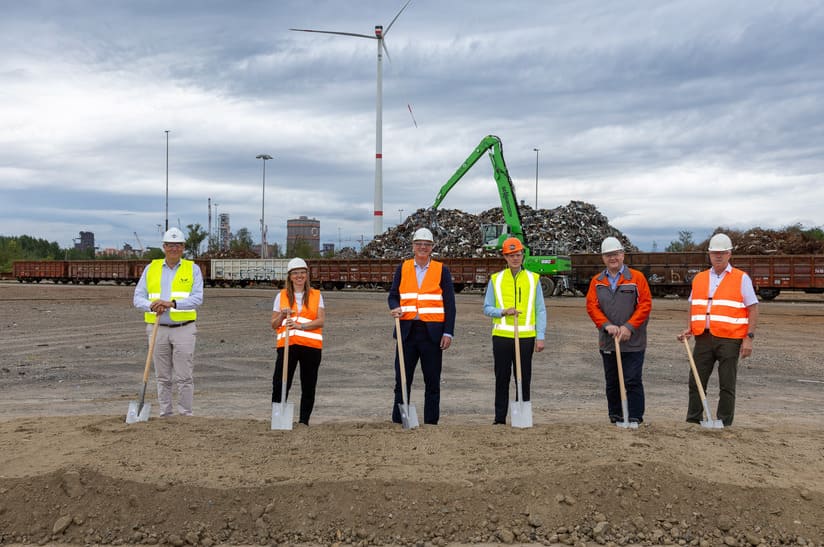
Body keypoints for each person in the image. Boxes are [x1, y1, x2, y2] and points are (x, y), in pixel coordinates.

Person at [677, 233, 758, 427]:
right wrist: (690, 327)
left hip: (730, 339)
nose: (718, 256)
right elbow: (693, 304)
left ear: (729, 254)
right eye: (714, 253)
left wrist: (749, 338)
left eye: (722, 253)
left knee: (727, 383)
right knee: (695, 379)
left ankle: (724, 421)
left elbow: (753, 308)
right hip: (703, 338)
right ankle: (693, 419)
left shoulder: (741, 278)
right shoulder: (700, 278)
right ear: (709, 255)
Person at [388, 227, 456, 425]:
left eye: (426, 245)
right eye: (419, 244)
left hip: (432, 334)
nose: (423, 248)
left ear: (432, 247)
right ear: (413, 246)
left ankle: (431, 423)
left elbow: (450, 304)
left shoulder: (441, 270)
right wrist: (394, 307)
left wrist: (448, 332)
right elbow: (393, 295)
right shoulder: (403, 268)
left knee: (432, 381)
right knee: (402, 379)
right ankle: (399, 420)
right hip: (407, 333)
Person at [133, 227, 204, 417]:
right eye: (170, 245)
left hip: (184, 329)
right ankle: (165, 413)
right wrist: (151, 305)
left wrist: (172, 303)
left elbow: (197, 298)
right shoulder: (151, 268)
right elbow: (138, 298)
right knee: (162, 376)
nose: (174, 248)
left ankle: (185, 414)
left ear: (183, 247)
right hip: (157, 329)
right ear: (164, 247)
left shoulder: (192, 269)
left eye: (178, 245)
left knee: (184, 376)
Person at [585, 236, 652, 424]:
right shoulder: (597, 281)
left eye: (615, 254)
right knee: (613, 382)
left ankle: (635, 416)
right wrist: (607, 325)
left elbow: (645, 305)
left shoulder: (636, 278)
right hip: (608, 341)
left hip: (633, 342)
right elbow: (592, 307)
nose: (612, 258)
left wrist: (629, 327)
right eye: (608, 255)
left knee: (632, 380)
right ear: (603, 258)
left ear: (622, 255)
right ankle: (615, 415)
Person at [482, 237, 546, 425]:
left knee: (523, 377)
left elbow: (540, 309)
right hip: (502, 337)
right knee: (502, 378)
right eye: (511, 255)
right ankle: (499, 418)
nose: (515, 258)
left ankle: (522, 417)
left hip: (526, 337)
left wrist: (540, 336)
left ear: (523, 255)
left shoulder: (533, 279)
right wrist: (502, 312)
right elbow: (487, 308)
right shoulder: (496, 279)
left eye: (518, 254)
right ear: (505, 257)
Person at [270, 257, 325, 426]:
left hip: (311, 347)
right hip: (288, 346)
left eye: (302, 273)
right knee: (280, 382)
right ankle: (278, 418)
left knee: (308, 385)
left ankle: (303, 420)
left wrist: (300, 326)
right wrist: (281, 315)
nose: (299, 276)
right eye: (295, 273)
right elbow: (273, 324)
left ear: (307, 275)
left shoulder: (316, 295)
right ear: (290, 276)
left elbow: (321, 321)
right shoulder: (281, 296)